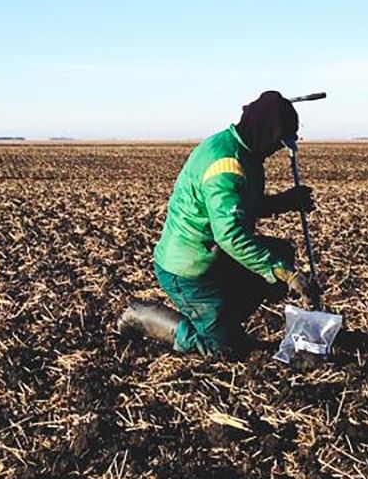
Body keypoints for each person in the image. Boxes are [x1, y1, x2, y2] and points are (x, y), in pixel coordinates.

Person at [118, 91, 319, 358]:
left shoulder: (240, 148)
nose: (277, 150)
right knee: (225, 349)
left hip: (214, 256)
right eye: (278, 142)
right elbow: (231, 234)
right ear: (265, 133)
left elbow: (242, 206)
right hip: (189, 270)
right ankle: (145, 318)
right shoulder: (226, 166)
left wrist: (285, 202)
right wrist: (286, 274)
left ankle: (223, 317)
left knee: (280, 256)